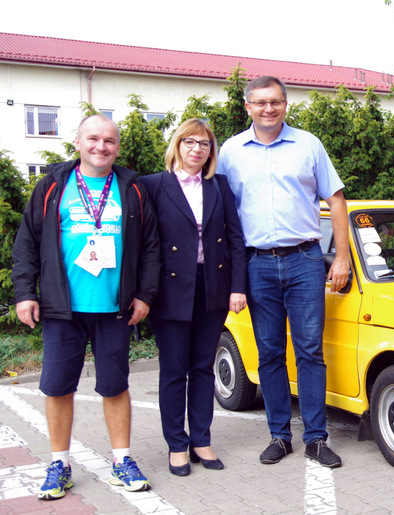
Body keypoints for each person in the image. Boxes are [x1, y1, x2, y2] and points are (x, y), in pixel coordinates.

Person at [12, 114, 160, 500]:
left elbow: (150, 247)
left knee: (115, 386)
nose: (101, 146)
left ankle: (121, 460)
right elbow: (27, 242)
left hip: (115, 308)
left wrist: (145, 295)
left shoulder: (132, 188)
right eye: (93, 138)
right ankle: (59, 465)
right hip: (62, 308)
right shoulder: (52, 185)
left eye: (109, 140)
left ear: (118, 148)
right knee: (58, 387)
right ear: (77, 142)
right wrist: (25, 293)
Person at [217, 76, 350, 468]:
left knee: (310, 351)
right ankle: (279, 436)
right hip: (256, 264)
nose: (268, 109)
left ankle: (316, 439)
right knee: (270, 352)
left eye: (275, 101)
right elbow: (221, 211)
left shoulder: (308, 145)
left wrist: (341, 257)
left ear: (285, 104)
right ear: (248, 107)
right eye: (260, 103)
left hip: (305, 261)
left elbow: (336, 200)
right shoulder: (231, 152)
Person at [138, 119, 247, 476]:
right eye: (189, 141)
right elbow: (145, 243)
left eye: (204, 143)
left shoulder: (218, 185)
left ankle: (201, 439)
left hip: (212, 286)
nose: (197, 149)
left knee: (202, 368)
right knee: (174, 371)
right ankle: (176, 444)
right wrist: (143, 292)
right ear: (177, 144)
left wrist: (237, 286)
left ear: (211, 150)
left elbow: (235, 238)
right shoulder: (153, 185)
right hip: (170, 289)